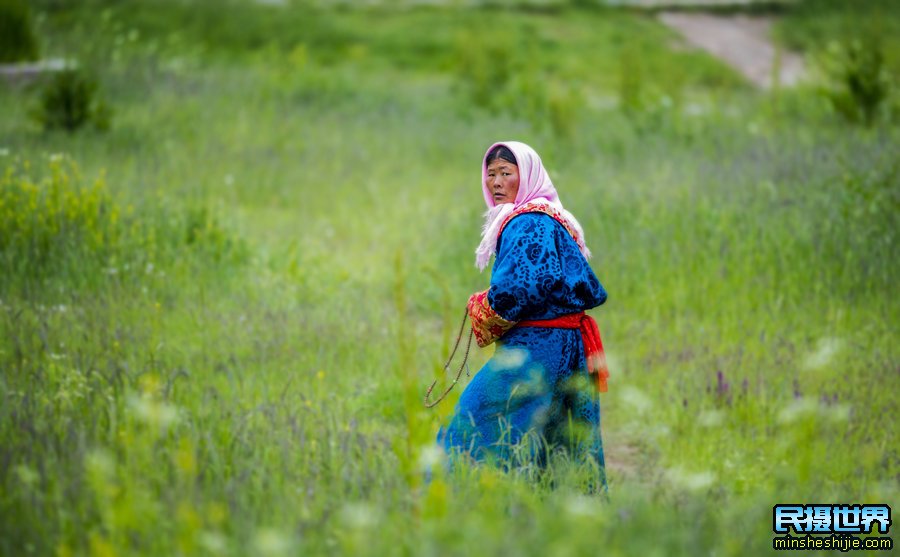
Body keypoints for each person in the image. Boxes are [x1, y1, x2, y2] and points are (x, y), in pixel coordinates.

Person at [436, 141, 610, 492]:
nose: (496, 182)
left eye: (506, 173)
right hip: (567, 347)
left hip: (537, 348)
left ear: (527, 175)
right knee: (555, 441)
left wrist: (482, 306)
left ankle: (455, 505)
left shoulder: (527, 221)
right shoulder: (549, 216)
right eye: (491, 174)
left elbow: (519, 291)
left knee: (470, 423)